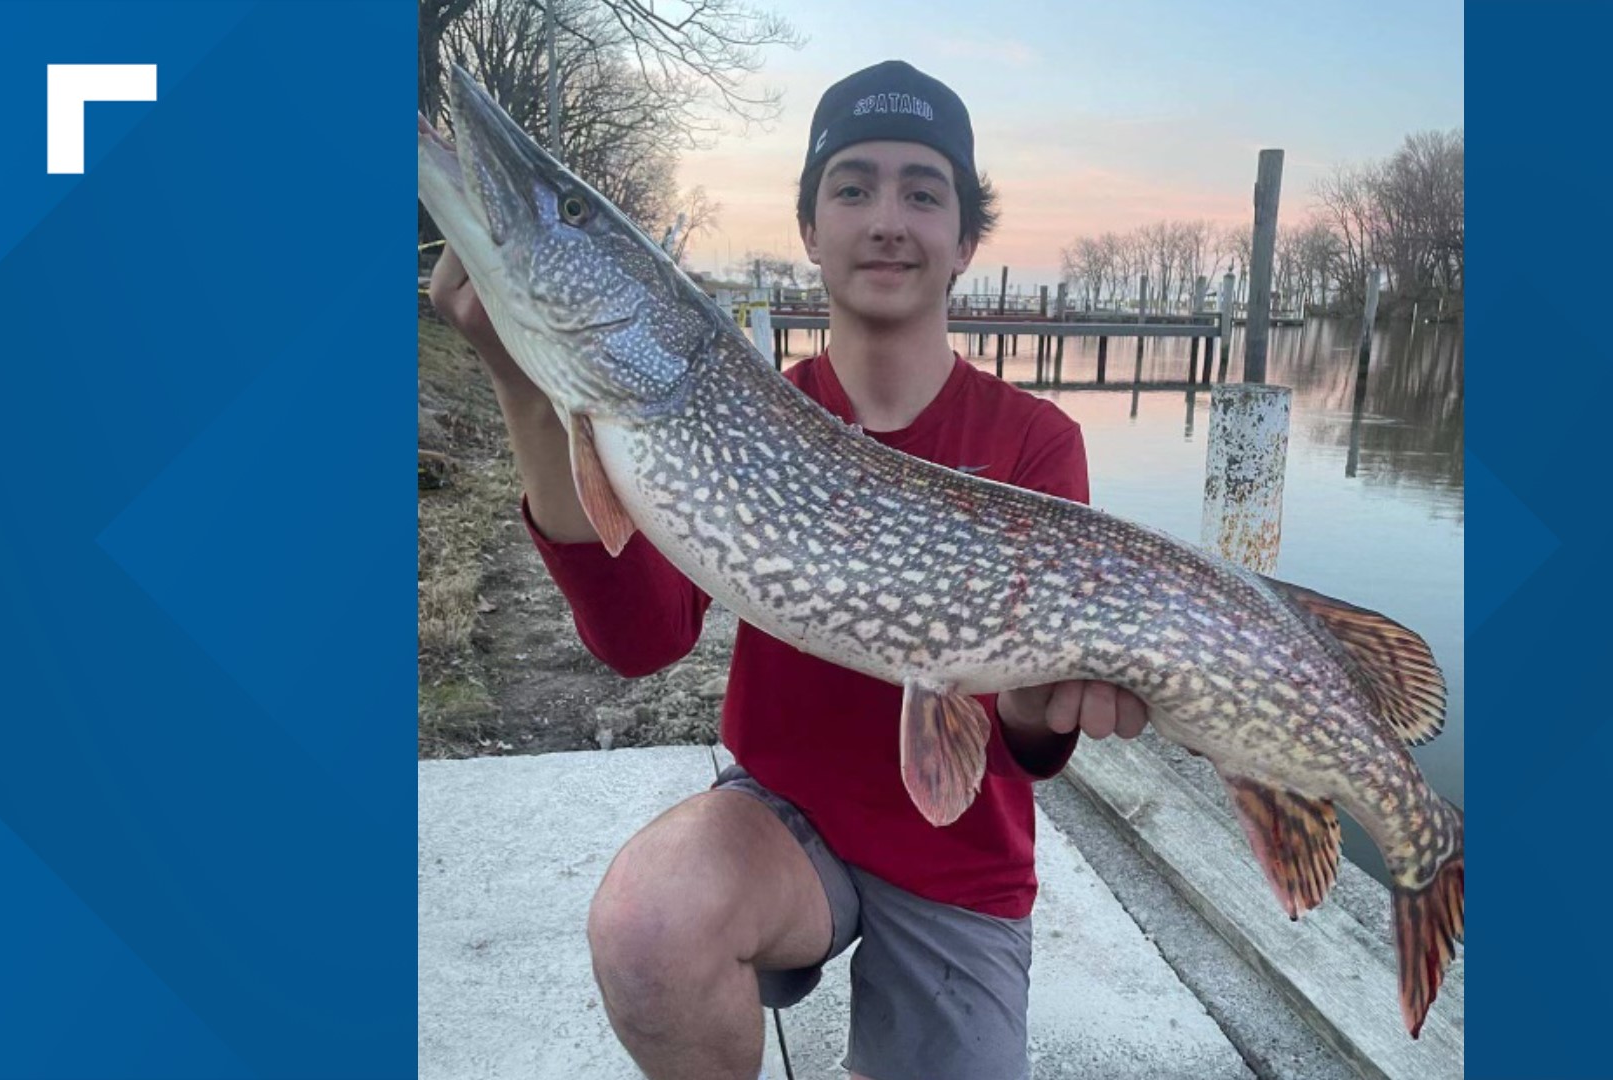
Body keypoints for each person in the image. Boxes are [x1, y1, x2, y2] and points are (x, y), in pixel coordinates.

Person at [428, 58, 1149, 1080]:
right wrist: (522, 384)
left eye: (922, 190)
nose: (887, 217)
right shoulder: (734, 409)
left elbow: (1023, 732)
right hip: (786, 827)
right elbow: (641, 643)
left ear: (966, 240)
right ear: (810, 228)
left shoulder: (1034, 439)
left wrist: (1047, 704)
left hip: (961, 860)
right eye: (851, 187)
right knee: (647, 926)